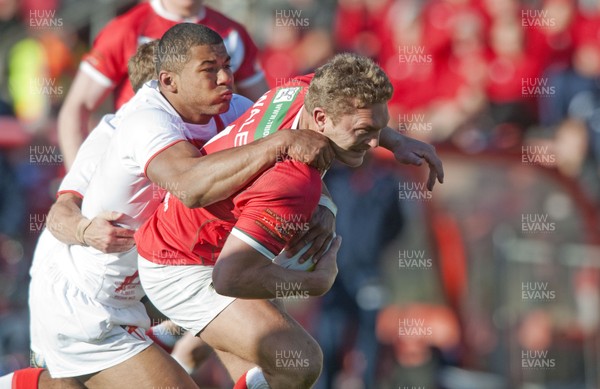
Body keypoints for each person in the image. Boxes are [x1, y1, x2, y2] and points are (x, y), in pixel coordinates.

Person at [7, 23, 334, 389]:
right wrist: (86, 230)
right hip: (88, 300)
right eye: (209, 71)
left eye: (226, 66)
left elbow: (312, 128)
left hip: (167, 278)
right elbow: (59, 215)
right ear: (166, 84)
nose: (226, 79)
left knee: (284, 361)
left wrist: (323, 202)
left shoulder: (229, 112)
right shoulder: (123, 130)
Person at [134, 53, 400, 389]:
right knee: (300, 363)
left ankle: (169, 336)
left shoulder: (297, 92)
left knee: (259, 362)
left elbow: (338, 86)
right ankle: (164, 337)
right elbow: (230, 278)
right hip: (184, 265)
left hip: (183, 238)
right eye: (366, 131)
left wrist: (400, 141)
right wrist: (314, 283)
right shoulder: (294, 184)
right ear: (320, 118)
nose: (376, 142)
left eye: (381, 127)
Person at [57, 0, 269, 169]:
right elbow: (77, 108)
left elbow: (265, 107)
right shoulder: (126, 29)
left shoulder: (232, 33)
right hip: (142, 168)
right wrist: (78, 185)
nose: (222, 76)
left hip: (208, 168)